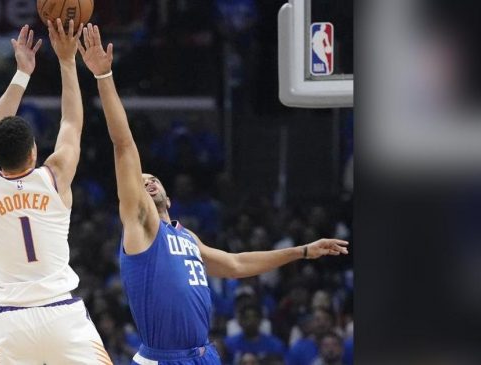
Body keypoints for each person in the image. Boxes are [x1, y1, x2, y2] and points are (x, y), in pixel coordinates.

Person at [77, 23, 349, 365]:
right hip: (165, 358)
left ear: (169, 197)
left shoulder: (187, 236)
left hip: (204, 355)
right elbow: (124, 145)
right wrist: (104, 78)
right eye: (141, 180)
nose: (147, 182)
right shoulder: (142, 226)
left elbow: (236, 264)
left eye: (154, 179)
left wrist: (303, 251)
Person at [0, 21, 111, 364]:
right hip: (63, 314)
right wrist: (67, 60)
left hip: (11, 321)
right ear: (34, 151)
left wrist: (21, 75)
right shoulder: (55, 176)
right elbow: (72, 124)